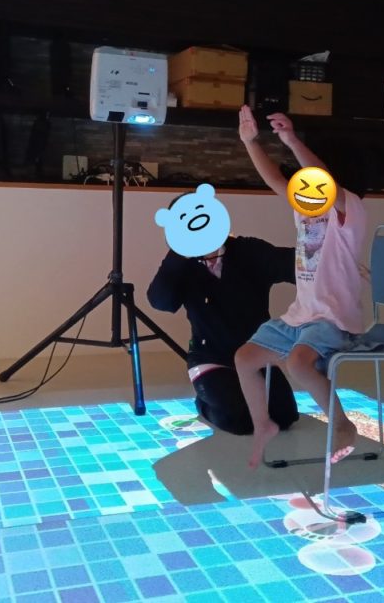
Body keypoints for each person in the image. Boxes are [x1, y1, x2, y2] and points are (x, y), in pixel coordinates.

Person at [233, 105, 369, 469]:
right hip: (299, 316)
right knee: (244, 359)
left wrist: (292, 140)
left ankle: (342, 423)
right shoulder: (305, 208)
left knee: (297, 363)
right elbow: (274, 179)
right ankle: (263, 424)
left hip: (333, 319)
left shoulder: (348, 209)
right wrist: (250, 142)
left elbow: (322, 180)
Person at [147, 217, 301, 435]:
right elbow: (160, 301)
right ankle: (203, 403)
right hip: (209, 356)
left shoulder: (248, 250)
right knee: (237, 418)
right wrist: (177, 255)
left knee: (284, 416)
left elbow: (294, 266)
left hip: (253, 353)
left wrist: (328, 257)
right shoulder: (184, 263)